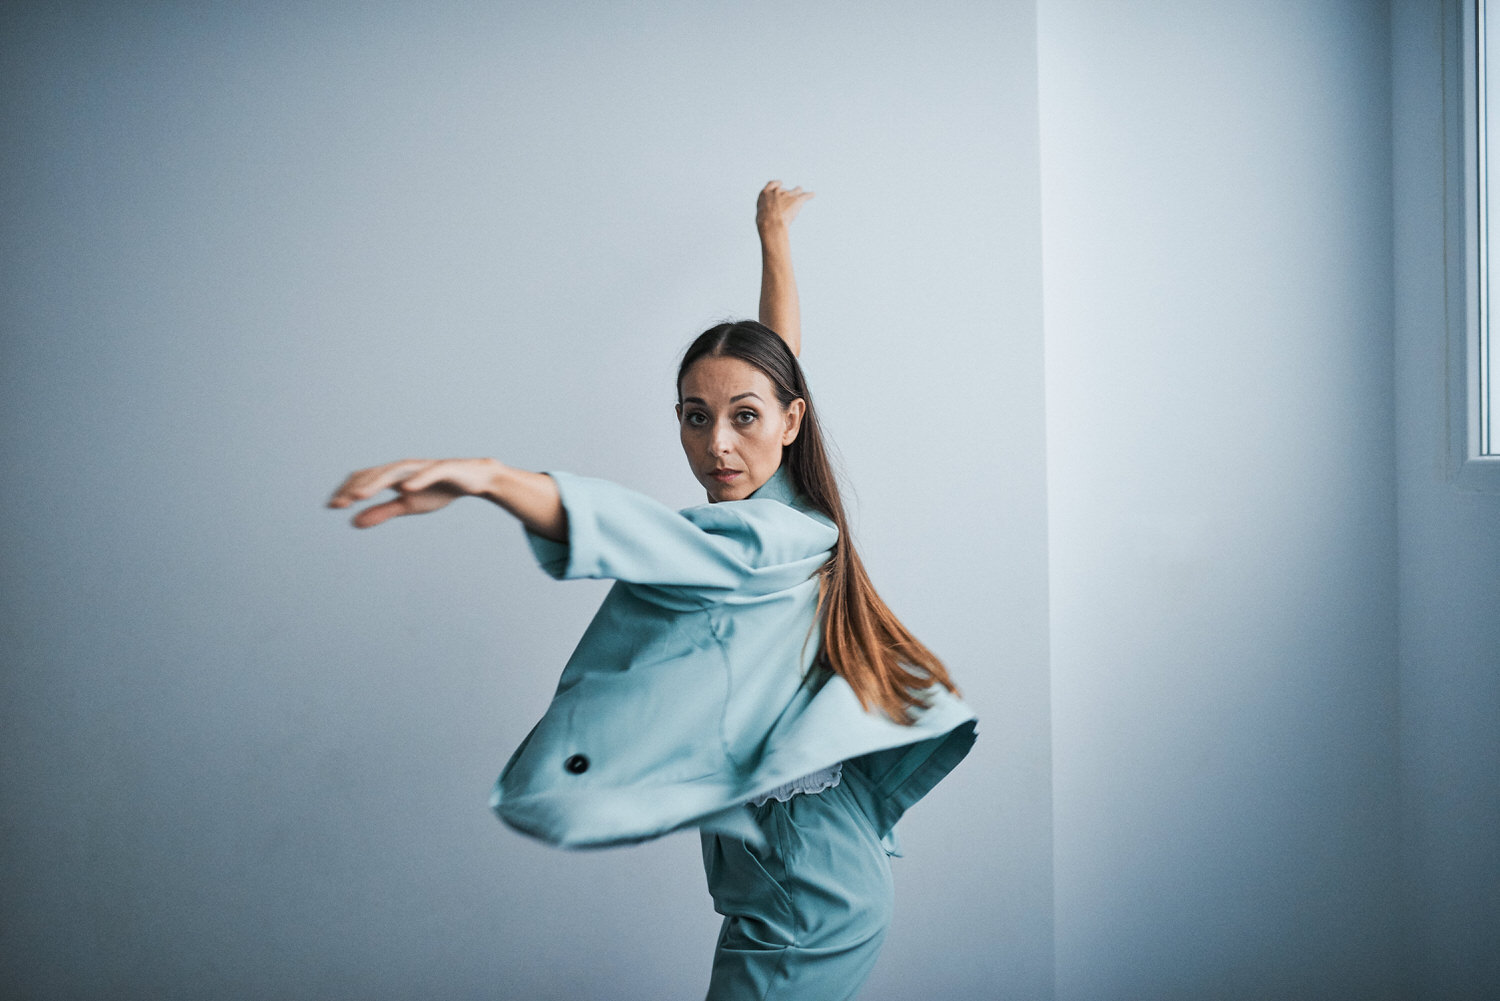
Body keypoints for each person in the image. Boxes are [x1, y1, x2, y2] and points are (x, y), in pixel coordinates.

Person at [327, 181, 977, 1001]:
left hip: (803, 889)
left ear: (791, 421)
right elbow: (771, 367)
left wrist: (492, 479)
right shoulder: (786, 502)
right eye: (696, 417)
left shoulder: (764, 537)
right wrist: (773, 237)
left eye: (743, 418)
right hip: (808, 870)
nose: (718, 444)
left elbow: (647, 534)